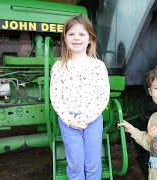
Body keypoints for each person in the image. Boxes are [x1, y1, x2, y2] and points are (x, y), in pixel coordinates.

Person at [50, 15, 110, 180]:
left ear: (90, 38)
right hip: (69, 120)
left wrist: (88, 117)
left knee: (92, 163)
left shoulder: (98, 66)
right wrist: (69, 120)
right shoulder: (59, 66)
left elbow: (103, 96)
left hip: (93, 120)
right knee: (75, 162)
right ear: (65, 39)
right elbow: (55, 96)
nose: (76, 38)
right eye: (71, 34)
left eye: (82, 34)